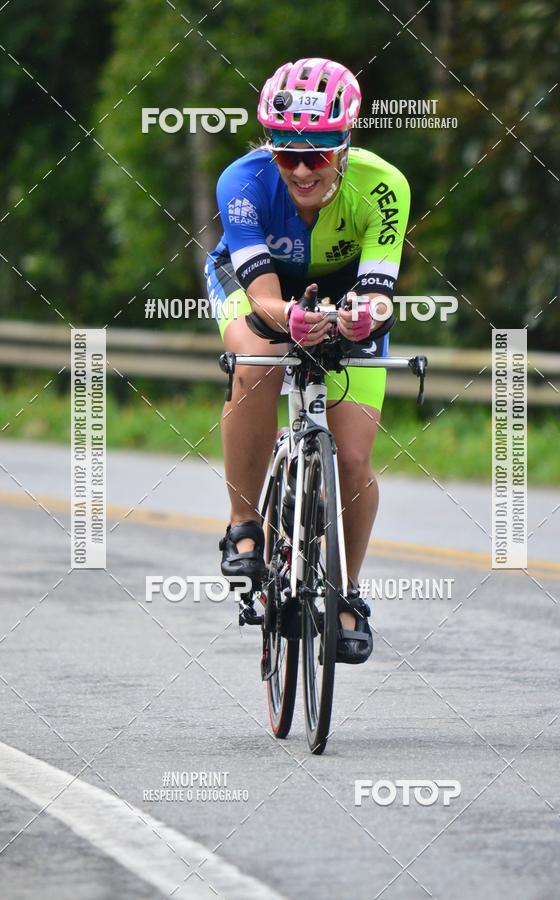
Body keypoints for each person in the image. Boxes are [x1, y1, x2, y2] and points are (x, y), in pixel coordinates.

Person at [205, 57, 410, 663]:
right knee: (260, 358)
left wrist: (362, 318)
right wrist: (290, 319)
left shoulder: (383, 185)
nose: (299, 169)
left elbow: (377, 292)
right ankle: (246, 528)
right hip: (258, 286)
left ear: (344, 147)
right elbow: (265, 299)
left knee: (351, 457)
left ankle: (346, 594)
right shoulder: (241, 182)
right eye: (285, 152)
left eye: (316, 155)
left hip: (345, 292)